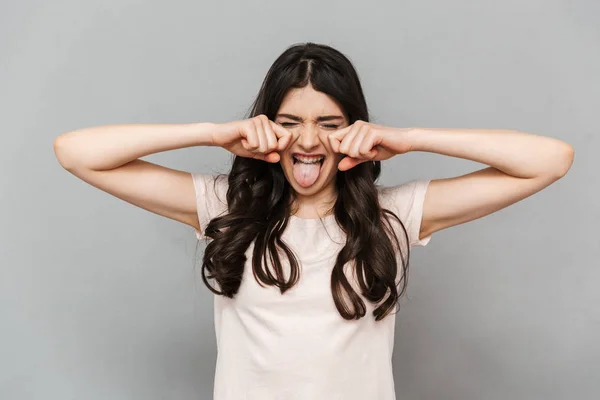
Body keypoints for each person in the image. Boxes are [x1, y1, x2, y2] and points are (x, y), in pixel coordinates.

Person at [53, 42, 574, 400]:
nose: (306, 141)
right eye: (288, 123)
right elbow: (76, 152)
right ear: (266, 128)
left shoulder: (392, 216)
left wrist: (409, 138)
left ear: (355, 130)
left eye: (329, 124)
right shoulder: (225, 208)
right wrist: (213, 133)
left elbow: (550, 160)